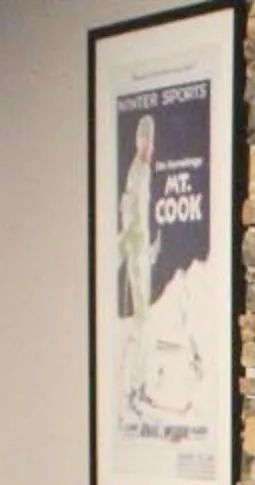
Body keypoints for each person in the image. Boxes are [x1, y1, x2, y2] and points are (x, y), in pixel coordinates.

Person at [117, 112, 158, 421]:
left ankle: (140, 384)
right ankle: (134, 386)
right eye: (145, 138)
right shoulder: (136, 173)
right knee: (142, 323)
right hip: (136, 253)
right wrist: (129, 245)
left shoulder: (144, 171)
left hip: (141, 252)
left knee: (146, 323)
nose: (148, 145)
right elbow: (130, 213)